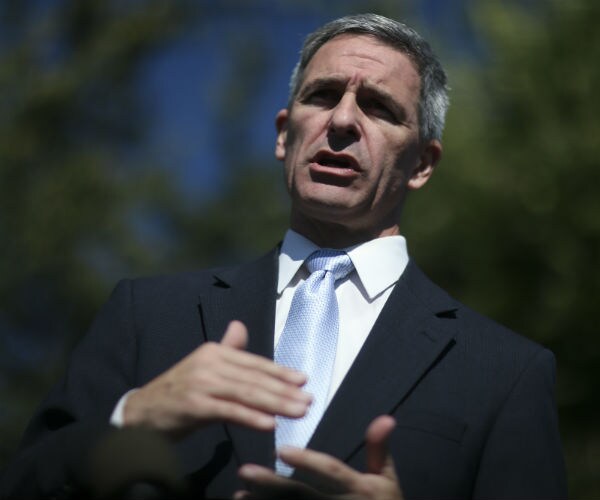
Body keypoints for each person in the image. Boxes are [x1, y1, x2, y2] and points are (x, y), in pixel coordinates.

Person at [0, 13, 566, 500]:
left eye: (378, 107)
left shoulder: (507, 373)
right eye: (322, 95)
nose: (342, 121)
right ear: (282, 135)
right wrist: (131, 420)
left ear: (422, 164)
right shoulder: (145, 315)